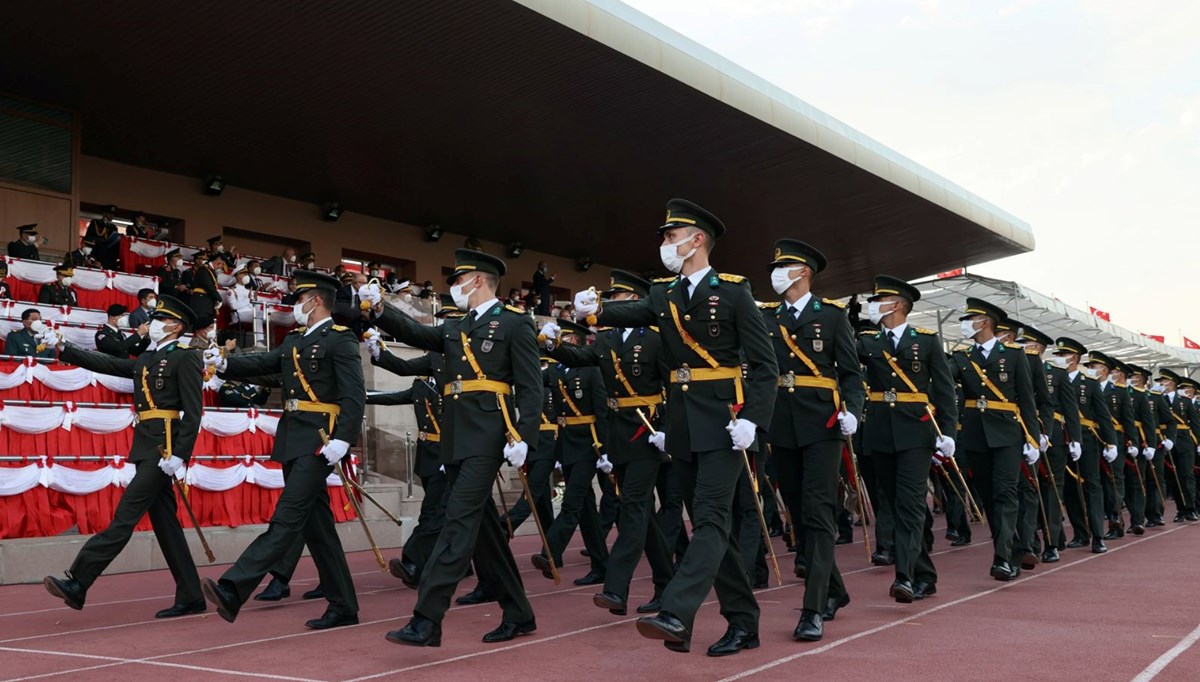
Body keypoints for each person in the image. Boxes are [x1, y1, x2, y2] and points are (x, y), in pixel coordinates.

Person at [571, 198, 777, 657]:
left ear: (696, 239)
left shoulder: (736, 292)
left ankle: (678, 612)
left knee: (707, 519)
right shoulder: (665, 294)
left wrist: (752, 420)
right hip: (683, 424)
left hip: (725, 424)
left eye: (670, 236)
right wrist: (593, 311)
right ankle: (744, 622)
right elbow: (632, 314)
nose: (664, 243)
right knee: (710, 530)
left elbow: (764, 366)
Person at [359, 248, 539, 647]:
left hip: (489, 436)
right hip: (457, 438)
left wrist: (525, 436)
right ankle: (519, 613)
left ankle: (427, 618)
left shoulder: (513, 324)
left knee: (457, 522)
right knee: (483, 532)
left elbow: (530, 385)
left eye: (458, 280)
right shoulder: (456, 328)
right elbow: (417, 334)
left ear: (478, 280)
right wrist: (379, 310)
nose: (453, 287)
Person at [200, 270, 364, 629]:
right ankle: (343, 606)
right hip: (293, 439)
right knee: (318, 529)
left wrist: (342, 439)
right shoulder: (294, 341)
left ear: (315, 300)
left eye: (298, 299)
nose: (294, 306)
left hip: (320, 442)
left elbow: (354, 395)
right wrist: (225, 364)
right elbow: (265, 362)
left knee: (287, 518)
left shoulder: (341, 340)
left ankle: (234, 587)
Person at [41, 295, 205, 618]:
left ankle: (79, 581)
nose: (152, 324)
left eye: (159, 319)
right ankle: (191, 594)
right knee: (166, 526)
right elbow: (111, 364)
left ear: (174, 326)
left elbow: (194, 413)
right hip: (146, 448)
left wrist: (179, 456)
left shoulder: (186, 358)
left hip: (164, 452)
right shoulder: (147, 358)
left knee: (124, 517)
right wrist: (65, 347)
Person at [541, 269, 677, 616]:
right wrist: (554, 347)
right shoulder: (607, 338)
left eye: (614, 298)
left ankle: (616, 589)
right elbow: (582, 360)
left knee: (632, 506)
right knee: (641, 514)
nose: (608, 304)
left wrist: (668, 429)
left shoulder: (657, 337)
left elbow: (674, 386)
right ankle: (666, 583)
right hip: (619, 436)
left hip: (646, 433)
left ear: (633, 301)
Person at [758, 240, 863, 641]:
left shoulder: (832, 317)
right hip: (782, 425)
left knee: (819, 513)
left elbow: (850, 374)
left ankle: (812, 607)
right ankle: (836, 589)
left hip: (823, 423)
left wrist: (852, 409)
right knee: (799, 515)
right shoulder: (767, 317)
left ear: (803, 272)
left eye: (783, 266)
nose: (776, 272)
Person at [858, 276, 957, 603]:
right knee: (895, 503)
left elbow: (943, 391)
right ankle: (925, 575)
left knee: (911, 503)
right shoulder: (869, 341)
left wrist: (949, 433)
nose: (874, 305)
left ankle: (905, 576)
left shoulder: (926, 341)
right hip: (880, 432)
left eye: (879, 299)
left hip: (916, 432)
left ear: (897, 304)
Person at [948, 299, 1042, 581]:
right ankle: (1009, 548)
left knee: (1005, 493)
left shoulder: (1014, 355)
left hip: (1008, 435)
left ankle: (1002, 558)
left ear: (985, 322)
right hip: (976, 435)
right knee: (989, 497)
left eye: (970, 318)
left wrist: (1033, 439)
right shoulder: (962, 358)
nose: (965, 324)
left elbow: (1027, 399)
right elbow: (942, 379)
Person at [531, 320, 611, 585]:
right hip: (566, 444)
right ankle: (601, 565)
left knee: (572, 502)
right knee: (586, 508)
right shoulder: (556, 371)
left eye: (566, 340)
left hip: (589, 443)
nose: (562, 344)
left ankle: (551, 552)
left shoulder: (590, 369)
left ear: (576, 342)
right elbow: (530, 378)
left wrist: (605, 449)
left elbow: (602, 411)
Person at [1017, 324, 1081, 563]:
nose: (1021, 347)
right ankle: (1029, 543)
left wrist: (1075, 439)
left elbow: (1070, 409)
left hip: (1050, 437)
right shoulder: (1012, 366)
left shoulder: (1056, 373)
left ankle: (1052, 542)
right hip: (1022, 433)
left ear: (1037, 348)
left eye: (1025, 344)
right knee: (1026, 489)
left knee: (1051, 490)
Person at [1051, 338, 1117, 553]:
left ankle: (1098, 535)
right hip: (1062, 438)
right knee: (1069, 489)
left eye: (1063, 355)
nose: (1058, 358)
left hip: (1087, 439)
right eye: (1057, 354)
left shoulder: (1089, 383)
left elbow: (1103, 415)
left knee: (1092, 486)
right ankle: (1081, 533)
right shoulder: (1051, 379)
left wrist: (1111, 442)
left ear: (1075, 358)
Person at [1089, 352, 1138, 540]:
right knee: (1097, 481)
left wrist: (1131, 441)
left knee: (1113, 480)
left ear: (1105, 370)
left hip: (1114, 439)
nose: (1091, 369)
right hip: (1092, 437)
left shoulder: (1119, 391)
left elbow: (1128, 419)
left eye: (1094, 367)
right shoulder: (1087, 386)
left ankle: (1115, 519)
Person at [1115, 361, 1153, 534]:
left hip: (1135, 440)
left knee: (1135, 482)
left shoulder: (1137, 395)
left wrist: (1149, 445)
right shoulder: (1107, 390)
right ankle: (1117, 521)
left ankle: (1137, 520)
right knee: (1117, 481)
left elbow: (1148, 422)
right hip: (1114, 439)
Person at [1156, 369, 1197, 522]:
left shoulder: (1185, 401)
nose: (1161, 384)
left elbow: (1195, 423)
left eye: (1163, 381)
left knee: (1187, 475)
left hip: (1184, 442)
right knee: (1174, 478)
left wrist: (1198, 442)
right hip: (1166, 440)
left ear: (1172, 383)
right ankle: (1180, 510)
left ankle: (1191, 508)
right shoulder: (1158, 400)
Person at [186, 251, 221, 320]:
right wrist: (218, 298)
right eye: (202, 259)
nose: (204, 261)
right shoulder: (201, 271)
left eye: (205, 259)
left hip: (207, 303)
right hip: (199, 301)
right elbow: (208, 285)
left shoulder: (209, 271)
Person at [84, 205, 121, 269]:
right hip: (96, 250)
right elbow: (88, 237)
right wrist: (100, 241)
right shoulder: (95, 222)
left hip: (108, 254)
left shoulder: (113, 227)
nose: (112, 216)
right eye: (109, 213)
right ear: (104, 213)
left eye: (113, 214)